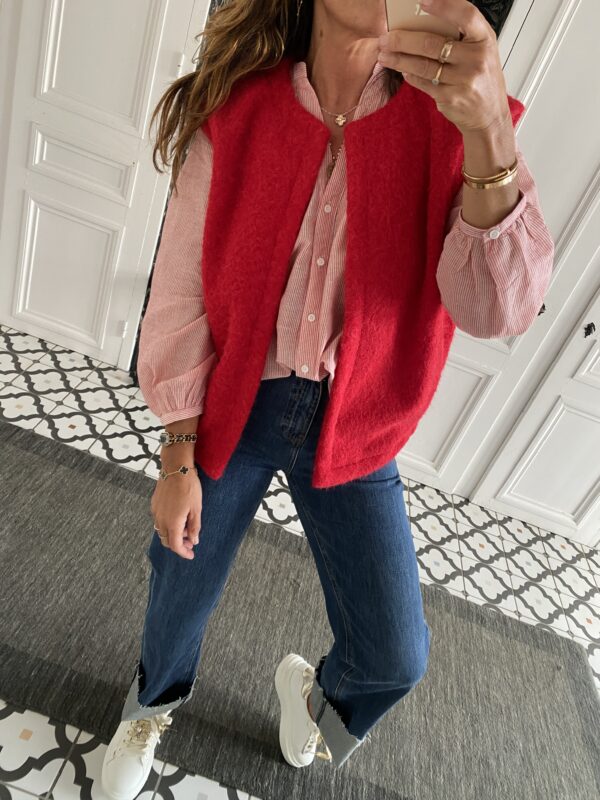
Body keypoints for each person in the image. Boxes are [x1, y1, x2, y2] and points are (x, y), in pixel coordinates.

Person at [101, 0, 554, 797]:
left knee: (395, 655)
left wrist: (489, 133)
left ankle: (312, 697)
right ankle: (151, 703)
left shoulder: (454, 128)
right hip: (236, 408)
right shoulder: (238, 106)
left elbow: (497, 310)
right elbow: (179, 288)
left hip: (358, 422)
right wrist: (176, 453)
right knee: (177, 584)